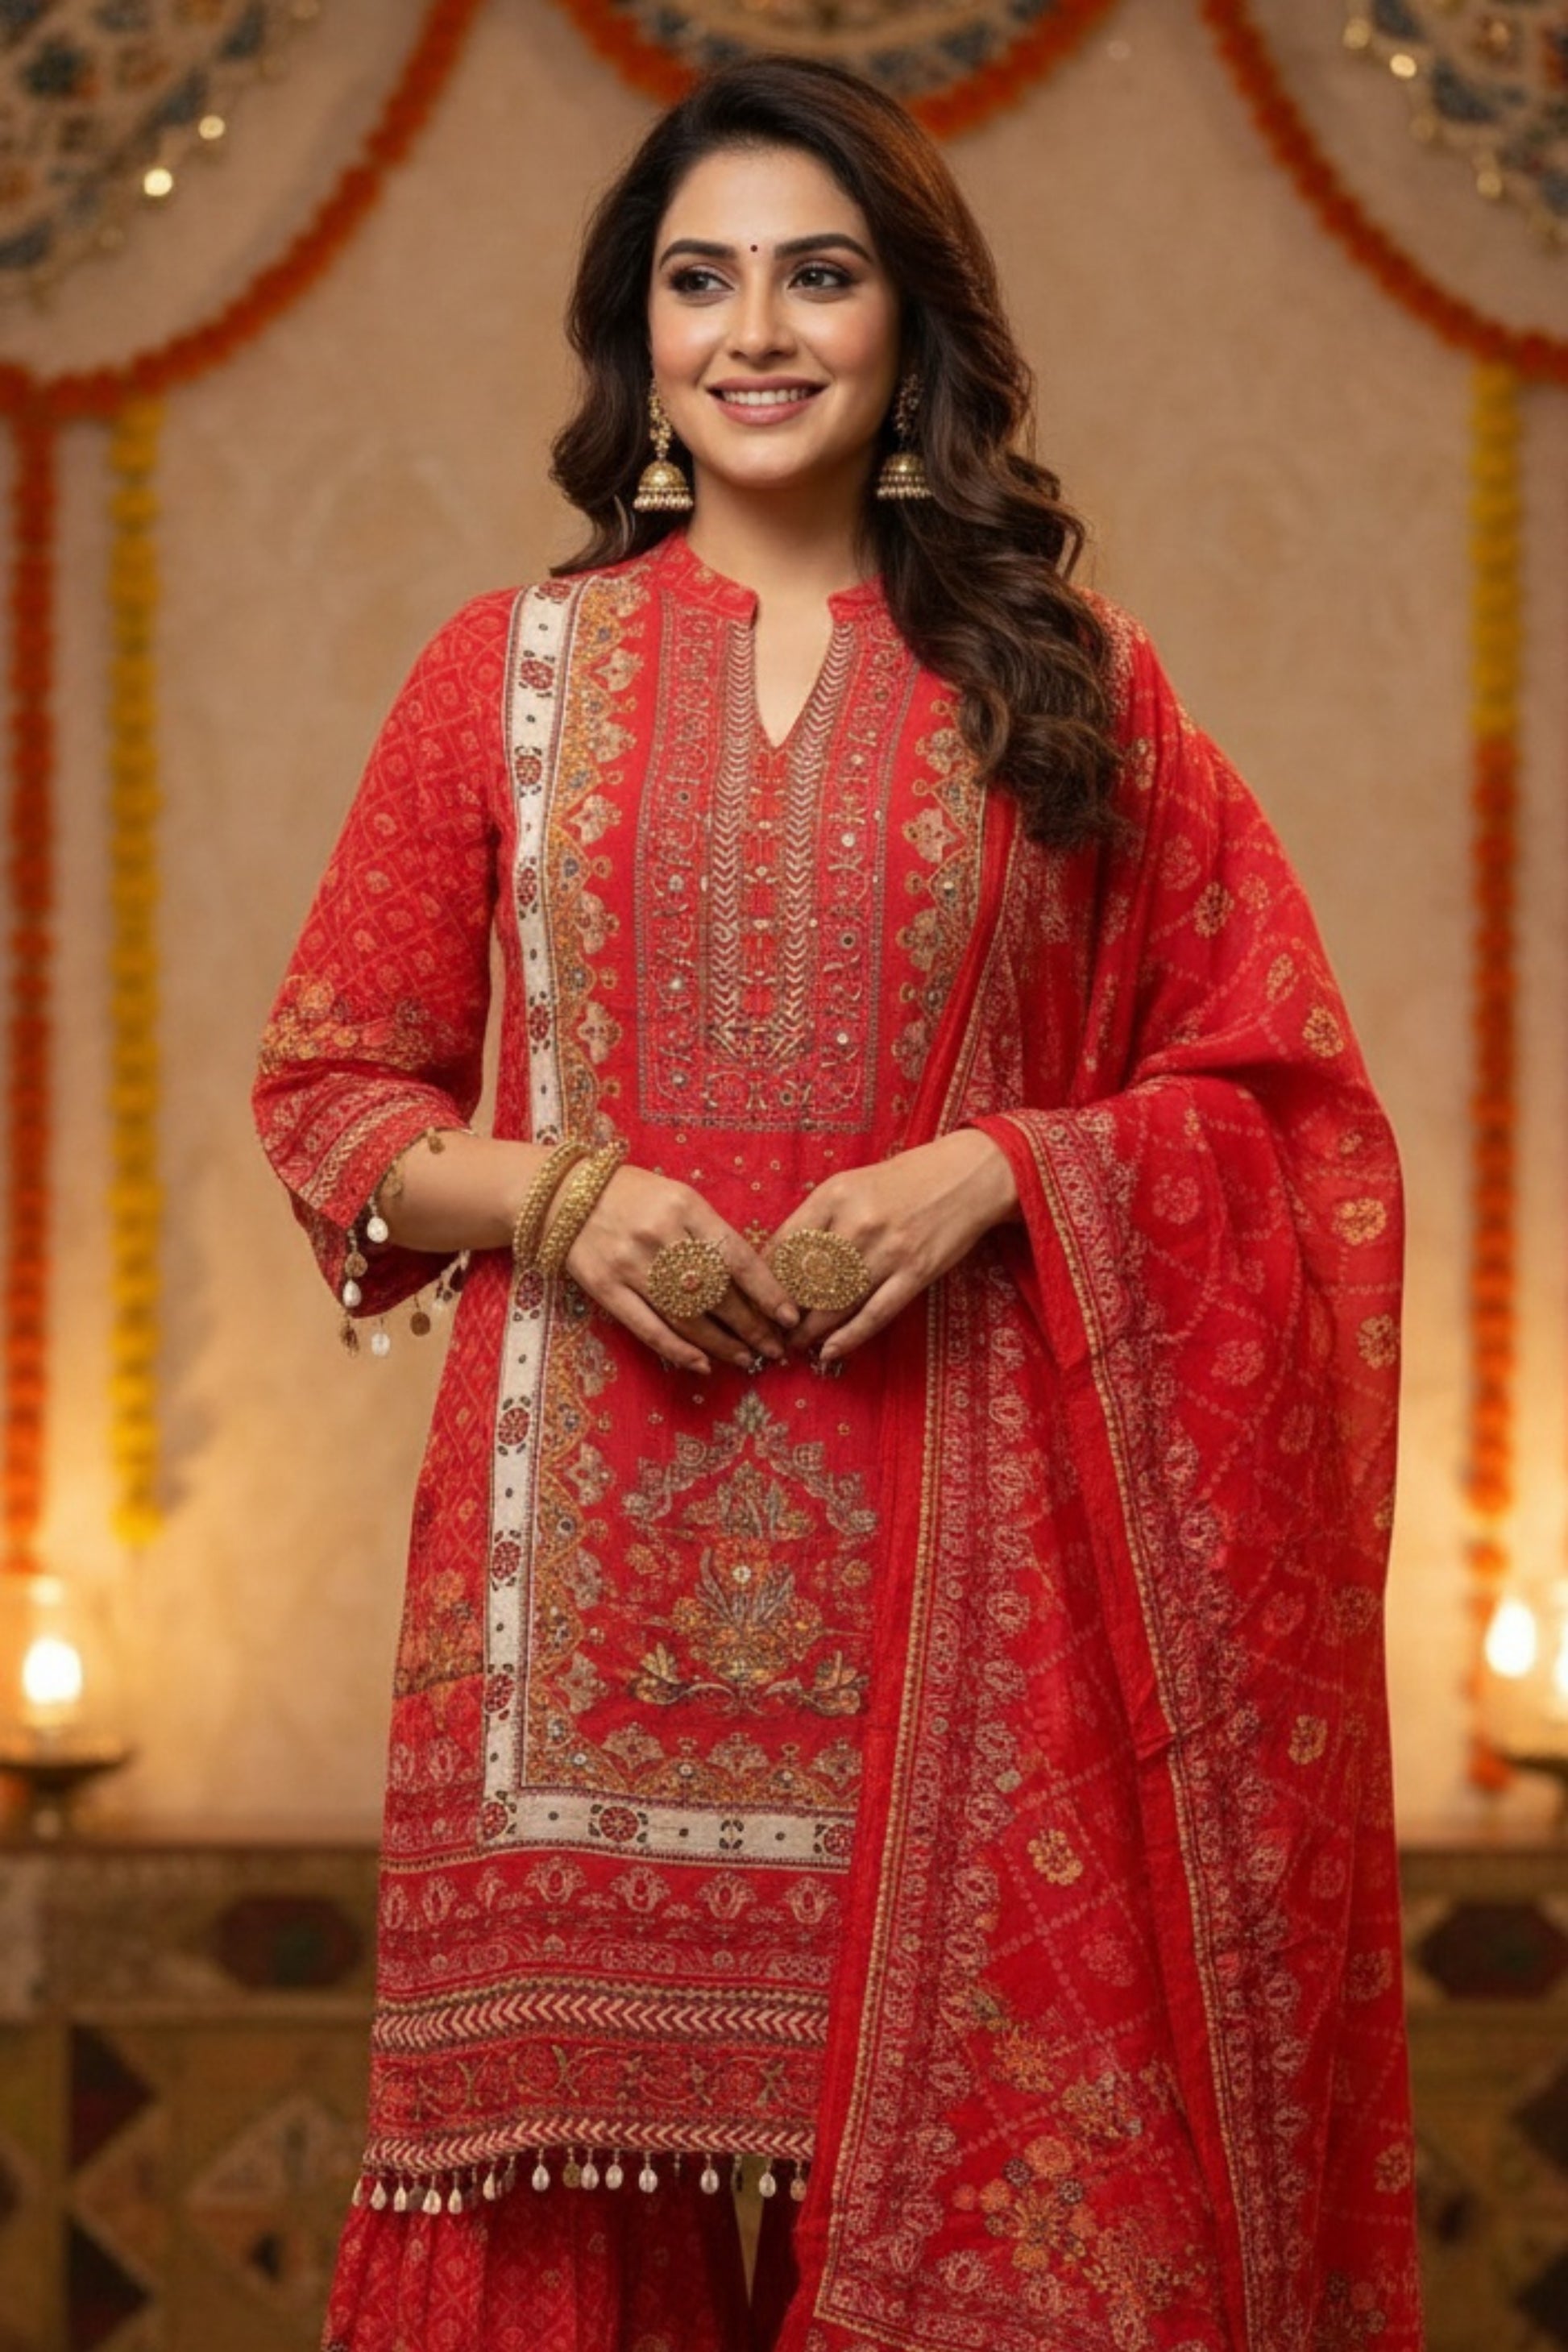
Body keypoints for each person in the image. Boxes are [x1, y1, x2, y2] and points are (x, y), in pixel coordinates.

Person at [254, 54, 1422, 2352]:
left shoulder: (1068, 687)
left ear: (910, 323)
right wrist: (562, 1199)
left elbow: (1282, 1104)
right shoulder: (500, 676)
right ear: (639, 330)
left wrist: (1010, 1165)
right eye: (701, 281)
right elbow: (328, 1090)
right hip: (568, 1608)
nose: (758, 331)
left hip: (974, 1606)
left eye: (820, 274)